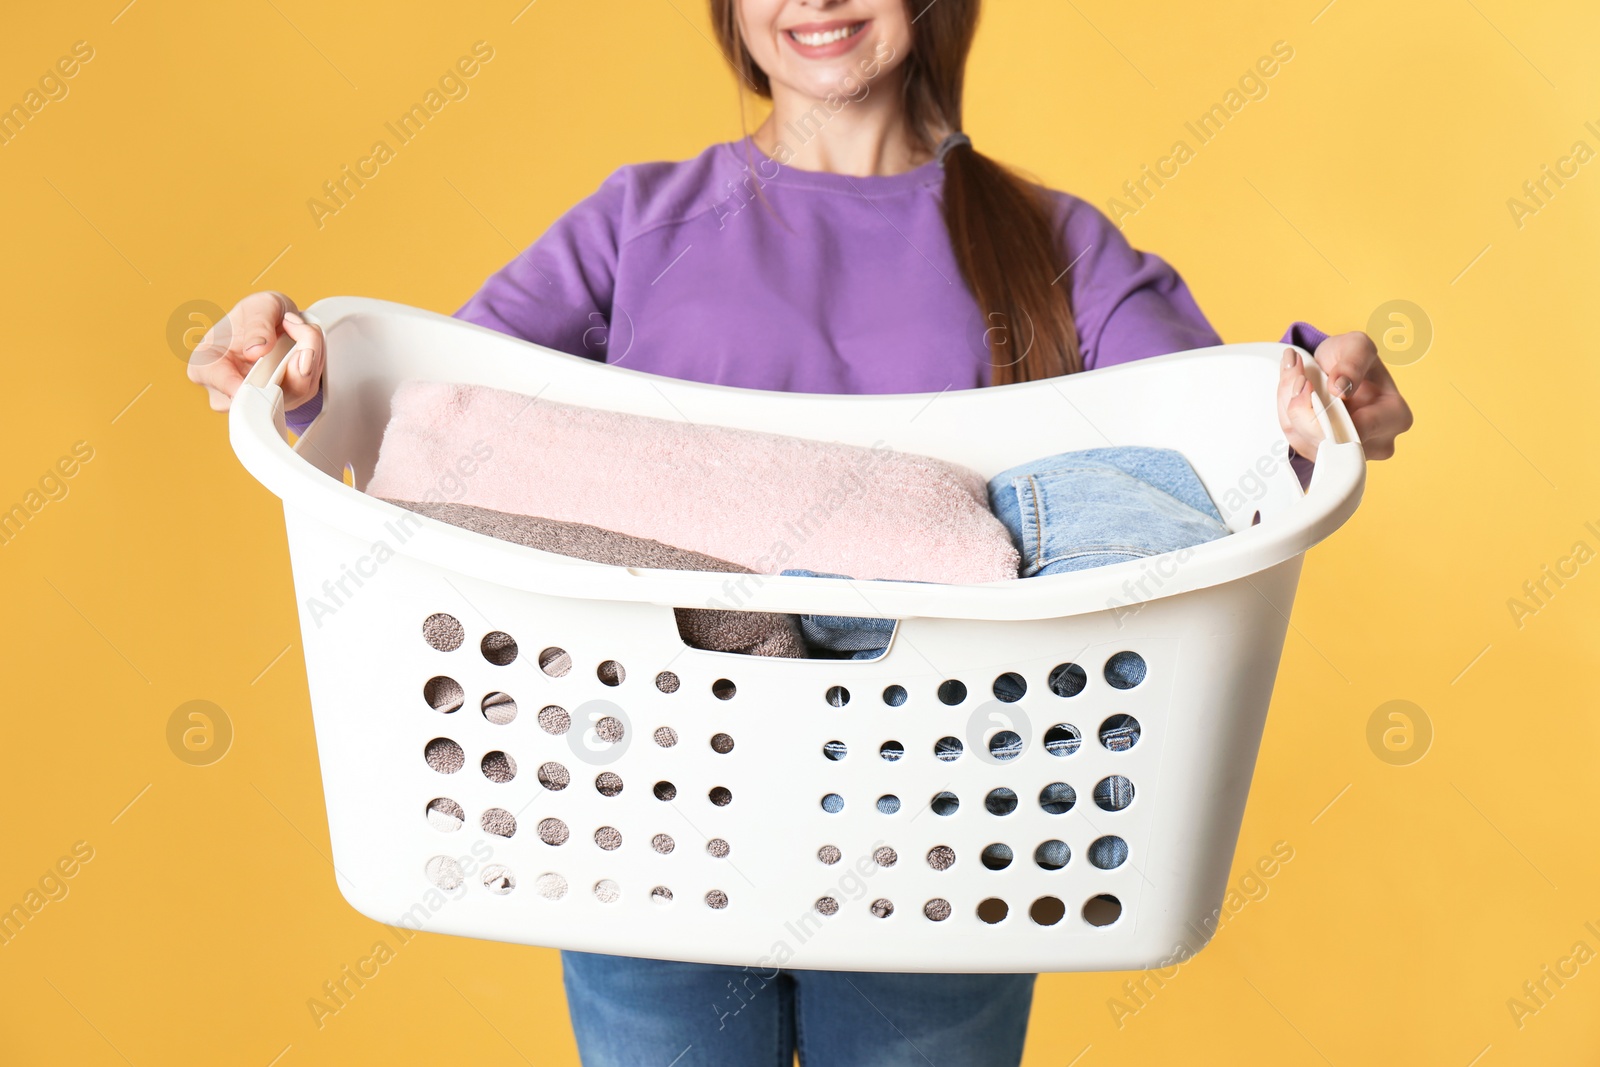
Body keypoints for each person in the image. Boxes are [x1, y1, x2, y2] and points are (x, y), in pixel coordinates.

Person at [190, 1, 1413, 1063]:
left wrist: (1326, 404)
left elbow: (1208, 454)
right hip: (640, 808)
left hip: (952, 826)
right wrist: (297, 370)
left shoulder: (1054, 247)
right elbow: (440, 422)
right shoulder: (639, 223)